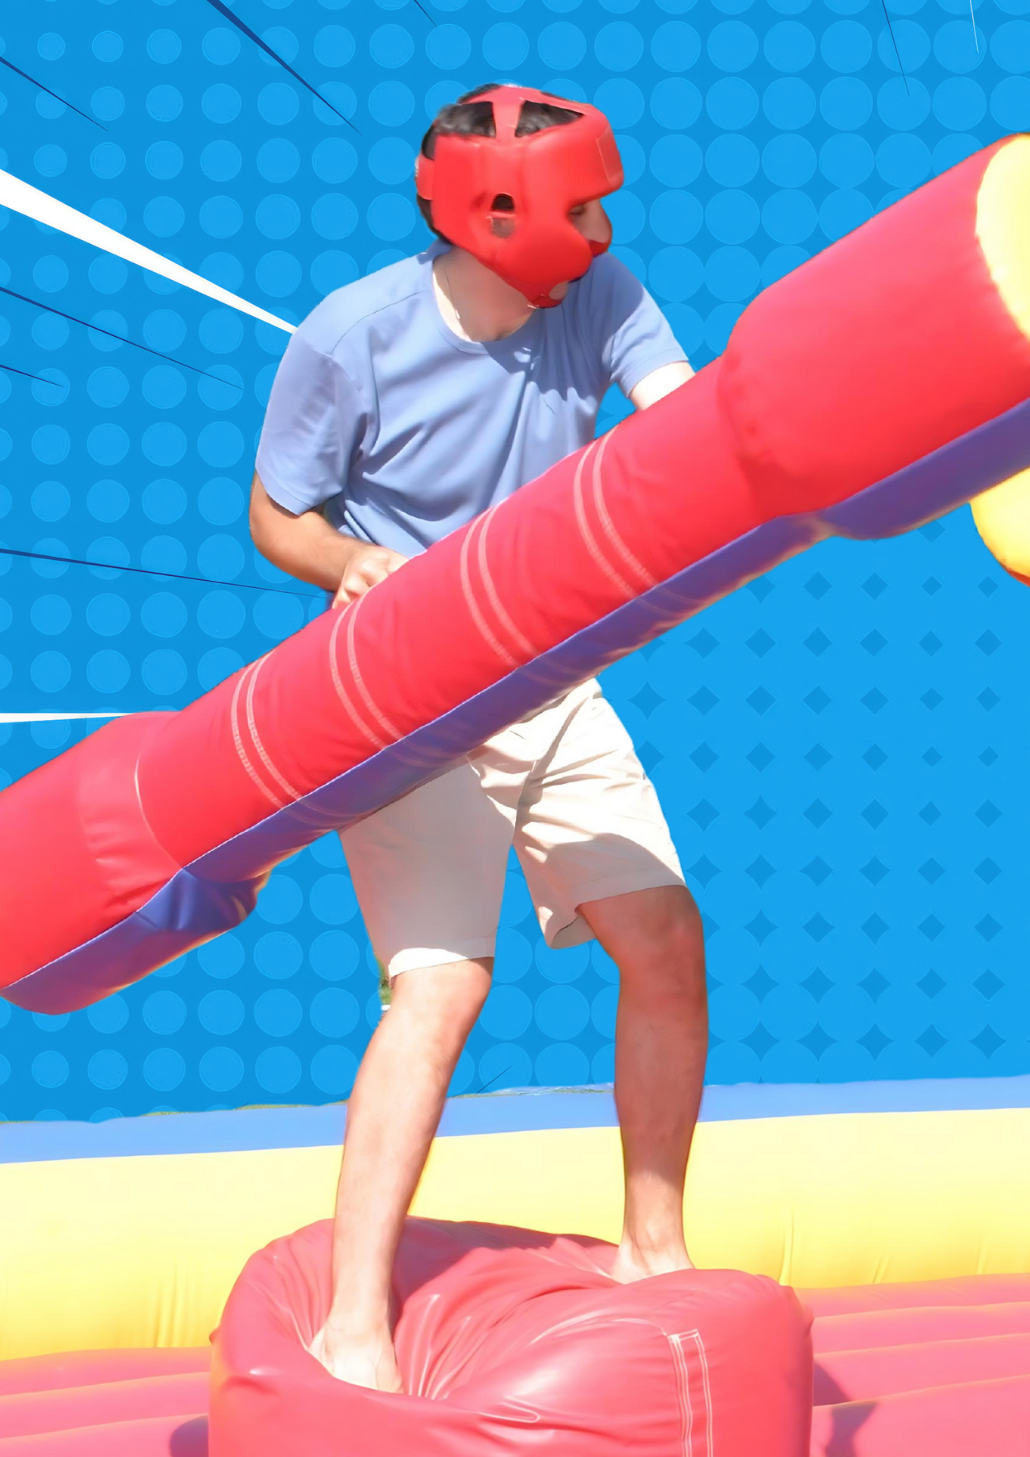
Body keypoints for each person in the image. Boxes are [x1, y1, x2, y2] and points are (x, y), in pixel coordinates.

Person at [247, 83, 706, 1390]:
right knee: (441, 986)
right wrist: (348, 565)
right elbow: (278, 515)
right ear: (500, 215)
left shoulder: (604, 301)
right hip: (398, 695)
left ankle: (654, 1249)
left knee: (666, 940)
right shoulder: (356, 336)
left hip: (548, 677)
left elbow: (679, 418)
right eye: (587, 204)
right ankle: (354, 1323)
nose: (610, 228)